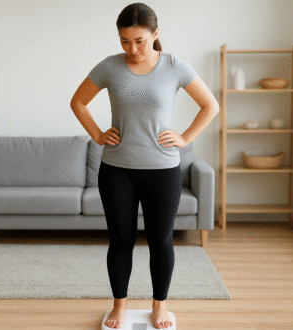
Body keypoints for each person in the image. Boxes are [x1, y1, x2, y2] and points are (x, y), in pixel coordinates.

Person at [70, 3, 219, 329]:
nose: (132, 49)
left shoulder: (173, 66)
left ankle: (159, 305)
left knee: (161, 241)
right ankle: (119, 306)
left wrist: (184, 137)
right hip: (117, 170)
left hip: (163, 171)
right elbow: (78, 101)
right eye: (124, 41)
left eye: (139, 40)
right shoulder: (109, 67)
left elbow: (210, 105)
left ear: (155, 33)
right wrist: (97, 134)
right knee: (120, 241)